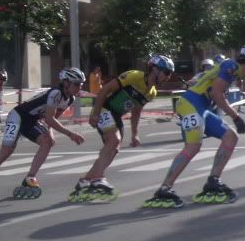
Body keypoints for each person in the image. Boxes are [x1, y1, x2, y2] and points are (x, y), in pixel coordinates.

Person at [143, 45, 245, 208]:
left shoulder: (234, 71)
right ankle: (164, 188)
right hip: (190, 104)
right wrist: (235, 117)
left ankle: (213, 181)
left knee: (230, 137)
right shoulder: (232, 66)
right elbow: (216, 93)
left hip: (201, 107)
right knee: (193, 146)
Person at [0, 68, 86, 202]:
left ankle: (30, 178)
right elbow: (50, 119)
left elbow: (52, 119)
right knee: (6, 152)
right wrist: (70, 134)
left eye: (81, 84)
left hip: (32, 120)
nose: (79, 87)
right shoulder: (56, 93)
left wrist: (50, 133)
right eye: (77, 84)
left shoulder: (70, 99)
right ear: (66, 83)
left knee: (48, 142)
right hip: (18, 116)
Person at [70, 54, 175, 202]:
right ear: (155, 70)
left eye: (170, 74)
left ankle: (85, 181)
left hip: (117, 115)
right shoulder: (134, 76)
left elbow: (136, 112)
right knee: (114, 140)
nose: (168, 77)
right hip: (105, 108)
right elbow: (104, 90)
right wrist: (95, 113)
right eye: (167, 72)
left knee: (114, 149)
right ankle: (98, 179)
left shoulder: (152, 93)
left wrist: (135, 134)